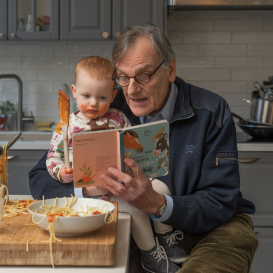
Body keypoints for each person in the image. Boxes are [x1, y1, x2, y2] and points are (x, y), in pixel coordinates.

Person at [29, 25, 258, 273]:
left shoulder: (211, 111)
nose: (131, 90)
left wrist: (159, 205)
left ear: (170, 69)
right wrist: (86, 188)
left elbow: (220, 201)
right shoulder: (106, 107)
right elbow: (40, 177)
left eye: (143, 76)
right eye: (123, 77)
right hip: (141, 230)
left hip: (216, 230)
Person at [45, 55, 187, 273]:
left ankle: (166, 239)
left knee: (161, 188)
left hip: (124, 180)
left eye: (102, 97)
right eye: (86, 96)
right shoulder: (66, 126)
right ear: (74, 92)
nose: (93, 103)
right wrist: (61, 173)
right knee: (134, 207)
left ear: (113, 96)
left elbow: (131, 144)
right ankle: (150, 254)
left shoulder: (119, 119)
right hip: (100, 193)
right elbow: (53, 157)